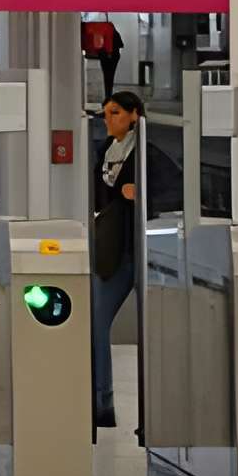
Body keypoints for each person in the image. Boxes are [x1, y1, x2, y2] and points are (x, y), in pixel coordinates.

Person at [89, 89, 141, 431]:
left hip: (138, 250)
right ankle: (101, 402)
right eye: (106, 113)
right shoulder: (104, 151)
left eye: (116, 113)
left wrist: (140, 193)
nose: (109, 120)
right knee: (96, 323)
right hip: (112, 251)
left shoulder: (144, 154)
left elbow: (171, 188)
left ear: (134, 115)